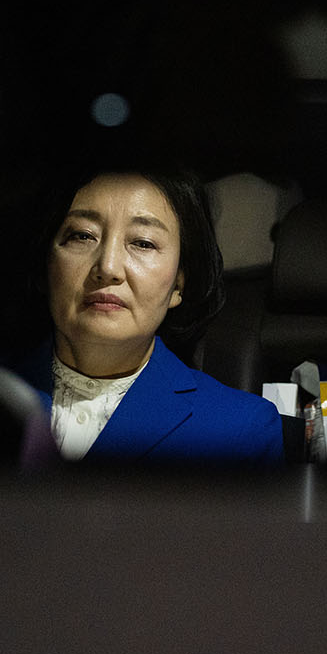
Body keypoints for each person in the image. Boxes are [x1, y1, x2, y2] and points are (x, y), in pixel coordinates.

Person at [16, 166, 284, 466]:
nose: (108, 267)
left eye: (143, 243)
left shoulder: (240, 431)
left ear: (178, 285)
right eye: (83, 236)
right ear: (46, 265)